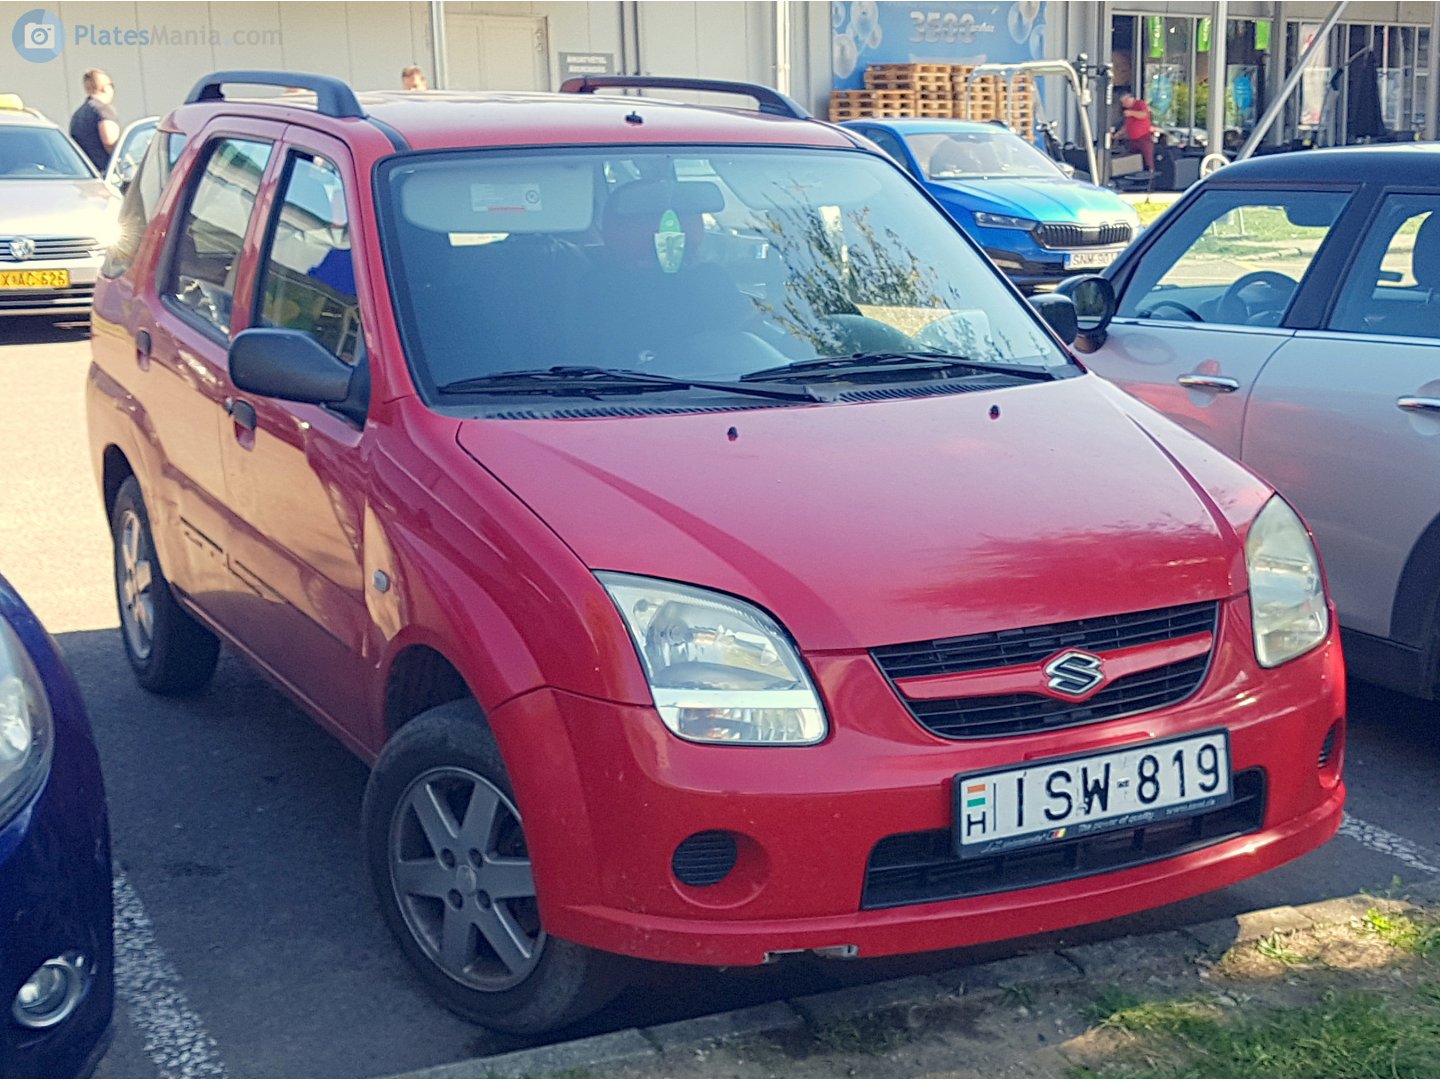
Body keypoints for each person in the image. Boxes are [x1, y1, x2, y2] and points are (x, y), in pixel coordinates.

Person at [69, 69, 119, 171]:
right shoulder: (104, 109)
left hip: (86, 171)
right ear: (104, 88)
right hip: (105, 171)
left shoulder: (78, 114)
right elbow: (110, 141)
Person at [1116, 92, 1155, 172]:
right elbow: (1127, 125)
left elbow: (1144, 115)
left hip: (1143, 137)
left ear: (1129, 99)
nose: (1123, 105)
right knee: (1133, 159)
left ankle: (1150, 172)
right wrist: (1119, 133)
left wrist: (1132, 113)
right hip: (1132, 139)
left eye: (1124, 102)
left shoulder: (1139, 104)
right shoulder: (1128, 110)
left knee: (1147, 158)